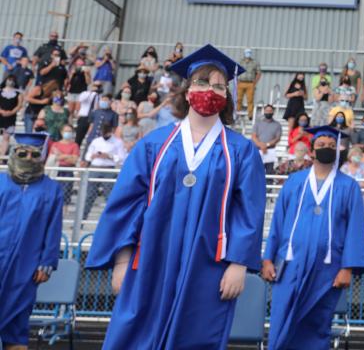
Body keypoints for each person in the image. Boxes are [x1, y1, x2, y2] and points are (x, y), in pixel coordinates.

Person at [84, 45, 266, 350]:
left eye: (219, 85)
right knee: (136, 334)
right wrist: (121, 260)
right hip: (150, 257)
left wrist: (238, 265)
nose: (210, 90)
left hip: (209, 263)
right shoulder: (154, 144)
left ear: (227, 96)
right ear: (187, 89)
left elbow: (248, 211)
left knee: (194, 336)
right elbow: (127, 204)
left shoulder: (241, 151)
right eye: (202, 82)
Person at [261, 126, 364, 350]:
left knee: (316, 323)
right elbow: (278, 222)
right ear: (311, 151)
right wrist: (268, 258)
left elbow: (355, 229)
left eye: (331, 146)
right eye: (321, 145)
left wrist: (347, 268)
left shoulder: (348, 187)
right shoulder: (294, 182)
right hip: (289, 264)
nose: (326, 149)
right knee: (282, 319)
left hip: (327, 269)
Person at [0, 133, 63, 350]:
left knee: (17, 319)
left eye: (35, 154)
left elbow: (53, 229)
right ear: (14, 152)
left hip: (26, 265)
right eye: (22, 153)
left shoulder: (51, 189)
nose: (28, 157)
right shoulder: (1, 182)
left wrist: (47, 262)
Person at [81, 113, 127, 220]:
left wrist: (109, 156)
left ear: (111, 131)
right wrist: (93, 156)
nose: (105, 133)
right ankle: (82, 219)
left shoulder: (118, 142)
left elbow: (122, 159)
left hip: (108, 170)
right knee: (89, 196)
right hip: (95, 168)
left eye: (107, 131)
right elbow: (88, 155)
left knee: (109, 196)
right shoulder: (96, 141)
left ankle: (110, 221)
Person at [340, 145, 364, 231]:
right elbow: (341, 183)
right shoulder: (344, 167)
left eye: (359, 155)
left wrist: (351, 184)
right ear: (350, 156)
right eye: (354, 155)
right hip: (348, 198)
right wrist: (358, 184)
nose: (356, 157)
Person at [252, 104, 283, 175]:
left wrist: (266, 145)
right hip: (258, 150)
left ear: (273, 112)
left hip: (270, 151)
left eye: (270, 111)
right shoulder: (258, 123)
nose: (268, 112)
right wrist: (261, 145)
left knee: (269, 171)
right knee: (257, 171)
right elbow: (254, 136)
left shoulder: (277, 125)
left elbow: (277, 138)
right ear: (264, 112)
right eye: (267, 110)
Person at [74, 80, 101, 147]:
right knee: (79, 137)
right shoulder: (85, 93)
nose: (97, 87)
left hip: (93, 118)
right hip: (84, 117)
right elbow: (81, 100)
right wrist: (91, 92)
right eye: (95, 85)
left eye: (99, 86)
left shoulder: (100, 96)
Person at [236, 48, 261, 114]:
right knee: (238, 99)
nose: (248, 54)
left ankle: (250, 115)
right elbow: (236, 71)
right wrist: (237, 81)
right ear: (244, 53)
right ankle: (237, 113)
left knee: (250, 100)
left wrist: (255, 82)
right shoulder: (240, 61)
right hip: (241, 82)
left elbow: (258, 73)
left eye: (249, 52)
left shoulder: (255, 62)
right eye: (247, 52)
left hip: (250, 83)